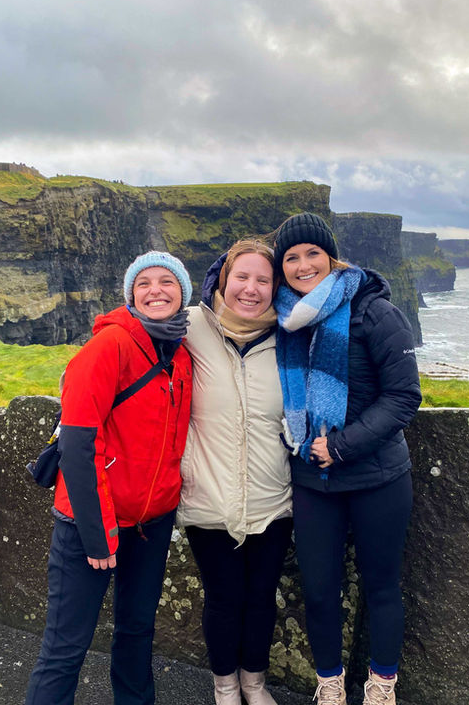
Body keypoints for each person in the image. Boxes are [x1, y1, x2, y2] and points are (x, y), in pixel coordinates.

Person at [24, 251, 194, 705]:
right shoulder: (109, 346)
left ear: (183, 294)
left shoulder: (180, 352)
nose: (156, 290)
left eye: (167, 282)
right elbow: (79, 446)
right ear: (130, 295)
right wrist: (98, 535)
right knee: (65, 646)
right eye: (144, 283)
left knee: (137, 630)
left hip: (150, 522)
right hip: (90, 523)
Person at [271, 214, 421, 705]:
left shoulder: (375, 312)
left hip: (378, 477)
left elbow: (403, 396)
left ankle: (381, 688)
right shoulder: (283, 318)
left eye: (313, 253)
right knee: (318, 590)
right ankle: (329, 685)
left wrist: (340, 445)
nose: (303, 265)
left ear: (331, 256)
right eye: (291, 257)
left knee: (382, 586)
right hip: (313, 481)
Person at [179, 240, 292, 705]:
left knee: (262, 597)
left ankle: (254, 684)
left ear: (275, 287)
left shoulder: (290, 336)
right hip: (208, 495)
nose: (251, 289)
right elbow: (126, 341)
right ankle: (225, 686)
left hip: (273, 498)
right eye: (242, 277)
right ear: (223, 280)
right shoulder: (189, 326)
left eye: (263, 280)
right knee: (223, 598)